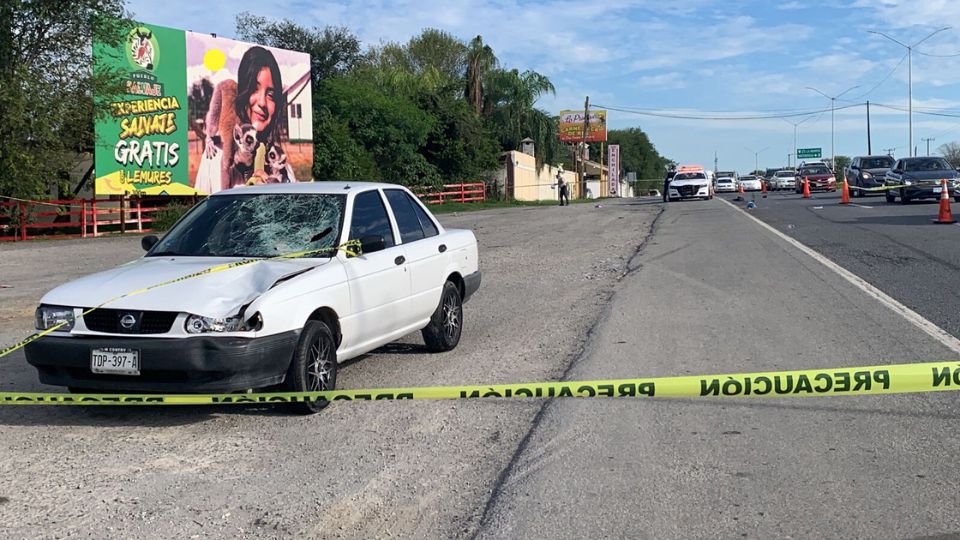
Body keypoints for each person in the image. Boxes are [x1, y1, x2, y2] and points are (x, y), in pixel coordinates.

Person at [201, 46, 286, 191]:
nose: (262, 103)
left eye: (270, 95)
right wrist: (209, 136)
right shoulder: (215, 158)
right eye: (253, 89)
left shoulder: (280, 161)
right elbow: (225, 166)